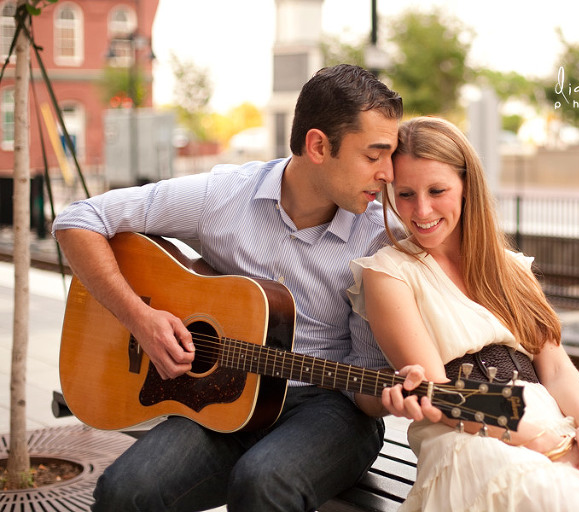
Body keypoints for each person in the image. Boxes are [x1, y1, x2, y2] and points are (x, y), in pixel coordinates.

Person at [52, 64, 403, 511]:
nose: (389, 173)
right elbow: (78, 220)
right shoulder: (224, 195)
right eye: (374, 156)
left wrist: (396, 396)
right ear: (318, 145)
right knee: (125, 491)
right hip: (223, 396)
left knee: (263, 482)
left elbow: (366, 387)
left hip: (330, 406)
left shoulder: (379, 239)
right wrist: (139, 319)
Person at [347, 116, 579, 511]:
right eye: (405, 194)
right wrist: (537, 438)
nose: (421, 210)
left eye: (437, 190)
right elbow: (440, 391)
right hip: (470, 435)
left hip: (549, 422)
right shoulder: (388, 273)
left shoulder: (511, 269)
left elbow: (554, 367)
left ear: (467, 186)